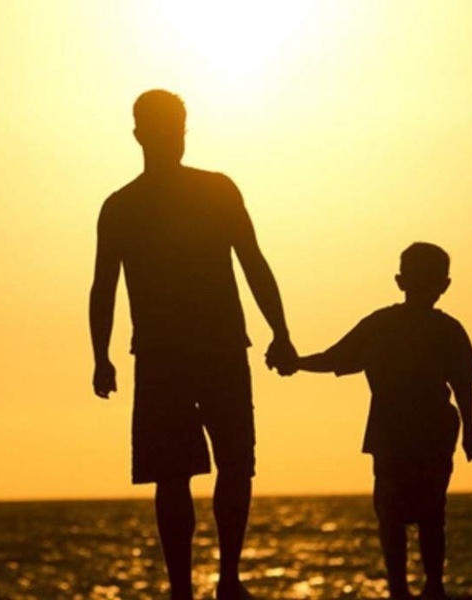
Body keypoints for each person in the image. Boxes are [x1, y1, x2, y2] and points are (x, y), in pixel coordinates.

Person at [89, 89, 297, 600]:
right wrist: (100, 357)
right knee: (179, 471)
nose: (173, 139)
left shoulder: (199, 193)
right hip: (173, 355)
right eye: (167, 130)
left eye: (178, 129)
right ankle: (192, 586)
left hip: (212, 347)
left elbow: (253, 263)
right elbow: (103, 287)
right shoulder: (124, 206)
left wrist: (281, 332)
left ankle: (222, 580)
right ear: (140, 135)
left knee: (227, 465)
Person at [282, 242, 472, 600]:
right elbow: (463, 385)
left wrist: (296, 363)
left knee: (398, 513)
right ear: (444, 284)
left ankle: (406, 588)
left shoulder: (387, 325)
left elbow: (334, 358)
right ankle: (425, 586)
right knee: (428, 512)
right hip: (418, 429)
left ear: (400, 280)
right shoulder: (440, 328)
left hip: (406, 430)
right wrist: (470, 432)